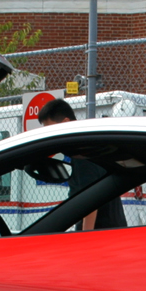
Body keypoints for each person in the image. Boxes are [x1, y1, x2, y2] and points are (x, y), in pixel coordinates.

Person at [35, 99, 127, 231]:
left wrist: (85, 235)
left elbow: (91, 200)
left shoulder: (80, 154)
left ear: (66, 123)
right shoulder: (90, 146)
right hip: (112, 232)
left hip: (98, 235)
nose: (49, 135)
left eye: (51, 129)